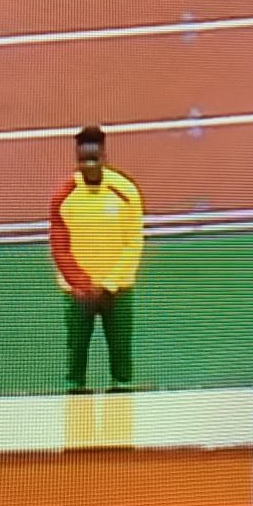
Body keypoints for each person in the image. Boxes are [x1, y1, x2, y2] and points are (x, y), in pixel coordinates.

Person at [49, 125, 144, 393]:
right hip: (79, 294)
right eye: (84, 160)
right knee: (76, 353)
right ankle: (75, 395)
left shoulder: (125, 191)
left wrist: (109, 284)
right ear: (77, 159)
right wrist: (84, 285)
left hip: (118, 291)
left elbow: (133, 242)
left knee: (121, 353)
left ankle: (123, 396)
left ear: (104, 156)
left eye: (94, 159)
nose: (89, 166)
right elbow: (60, 248)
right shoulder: (63, 197)